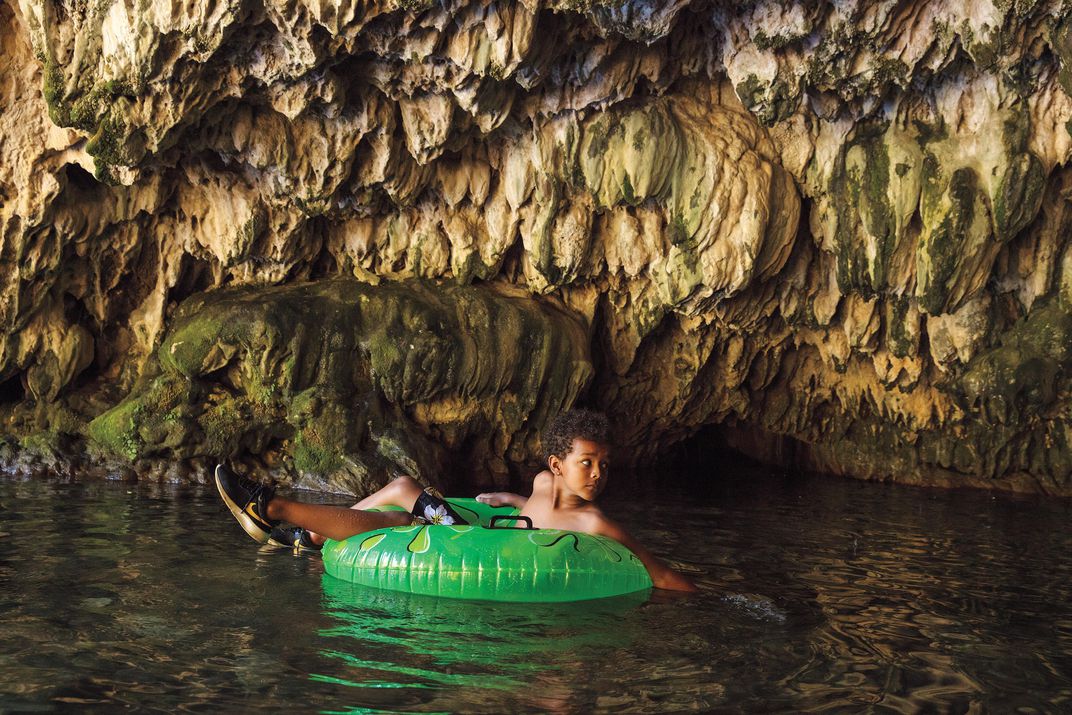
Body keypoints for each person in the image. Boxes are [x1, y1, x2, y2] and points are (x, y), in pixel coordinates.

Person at [215, 409, 697, 592]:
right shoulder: (542, 485)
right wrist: (506, 498)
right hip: (485, 530)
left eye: (604, 465)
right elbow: (529, 503)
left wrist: (710, 598)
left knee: (405, 516)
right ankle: (310, 535)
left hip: (476, 548)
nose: (597, 474)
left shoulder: (594, 523)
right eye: (586, 462)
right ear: (556, 466)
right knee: (404, 485)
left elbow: (655, 571)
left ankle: (273, 508)